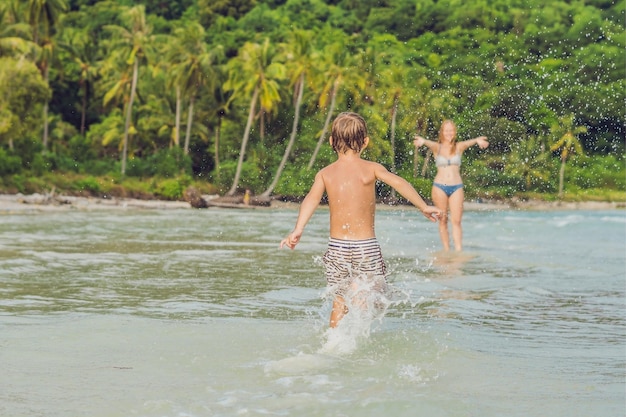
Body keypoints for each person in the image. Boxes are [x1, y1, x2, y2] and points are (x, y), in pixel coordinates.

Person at [280, 112, 441, 328]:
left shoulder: (326, 173)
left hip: (337, 247)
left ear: (331, 142)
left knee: (339, 299)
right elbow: (399, 183)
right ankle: (359, 325)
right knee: (375, 290)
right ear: (365, 142)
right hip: (365, 247)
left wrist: (298, 229)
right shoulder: (371, 169)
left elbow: (311, 199)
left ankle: (335, 341)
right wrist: (423, 206)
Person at [413, 119, 489, 252]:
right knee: (443, 220)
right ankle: (447, 251)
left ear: (454, 132)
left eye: (451, 130)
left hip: (456, 187)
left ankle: (459, 251)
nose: (449, 133)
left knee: (457, 221)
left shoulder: (459, 147)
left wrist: (477, 140)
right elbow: (429, 143)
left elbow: (469, 142)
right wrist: (423, 141)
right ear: (442, 132)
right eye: (446, 130)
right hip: (439, 187)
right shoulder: (438, 147)